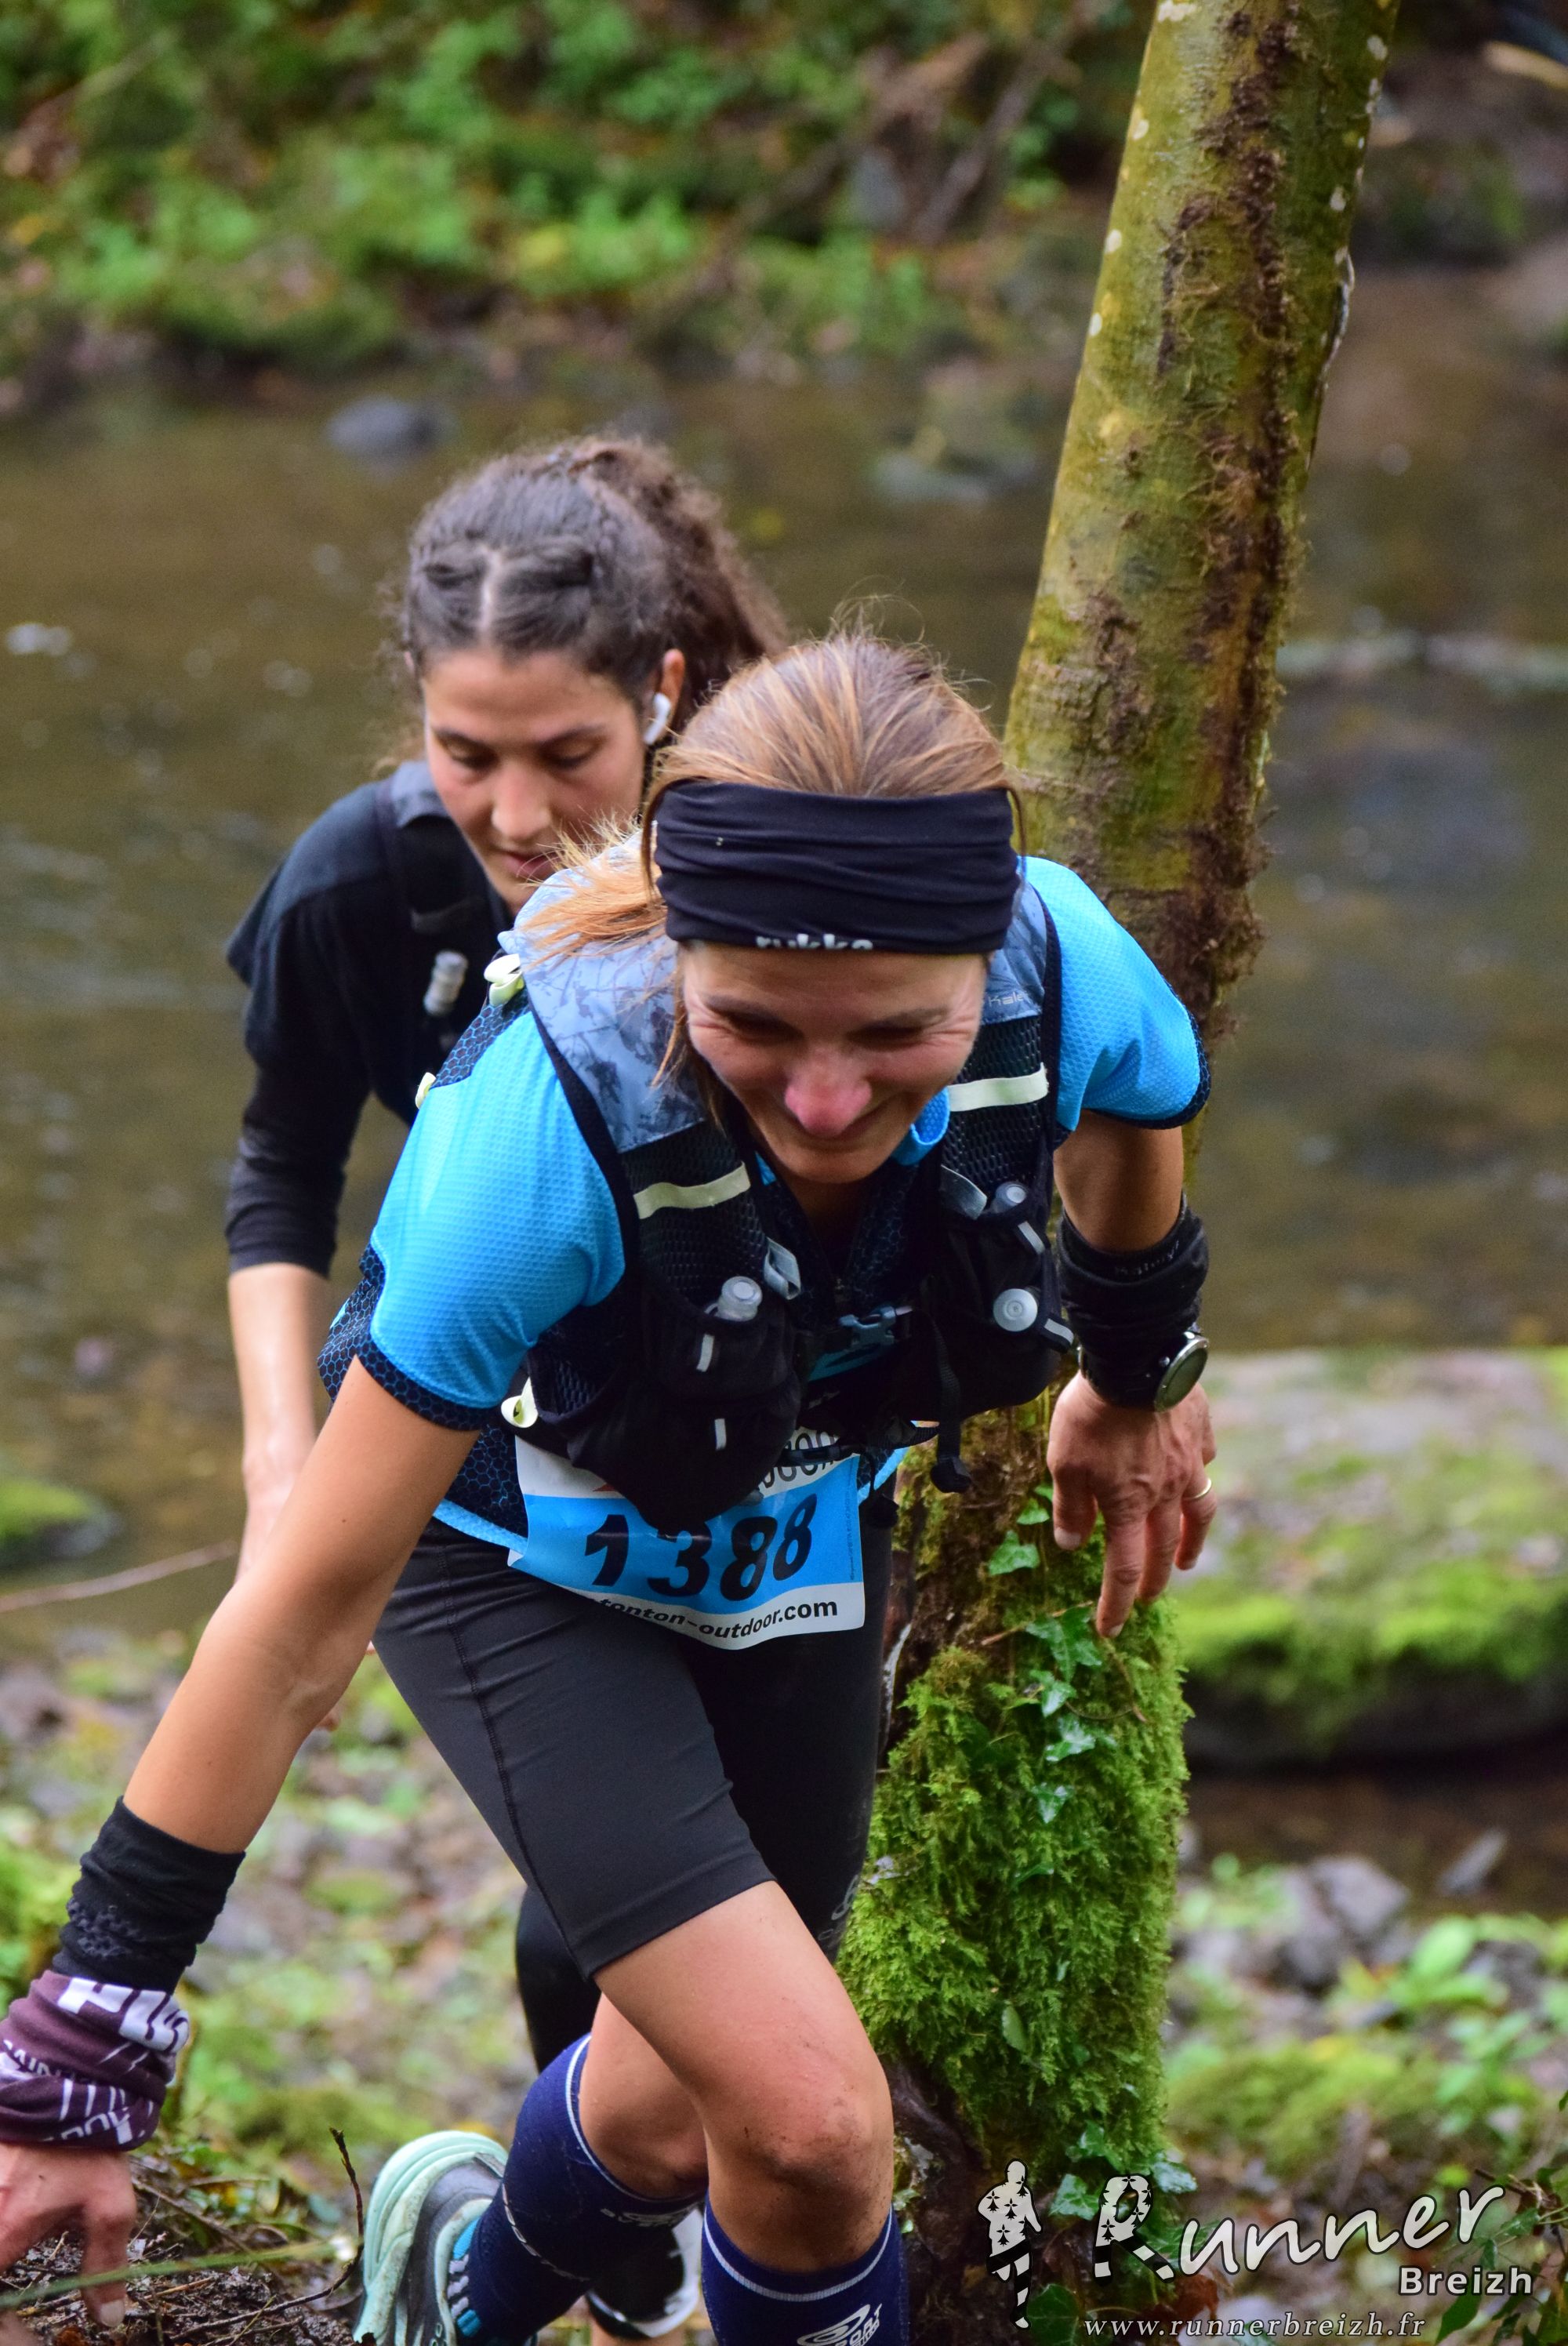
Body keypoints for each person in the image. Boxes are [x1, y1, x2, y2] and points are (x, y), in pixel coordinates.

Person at [0, 635, 1218, 2346]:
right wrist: (80, 2045)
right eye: (752, 1023)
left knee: (671, 2101)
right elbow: (296, 1619)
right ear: (671, 938)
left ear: (991, 958)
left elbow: (1137, 1121)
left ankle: (448, 2290)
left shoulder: (1069, 964)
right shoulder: (541, 1134)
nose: (823, 1099)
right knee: (812, 2124)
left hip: (795, 1537)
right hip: (510, 1569)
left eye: (899, 1031)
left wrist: (1136, 1374)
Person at [223, 434, 786, 2341]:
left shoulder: (759, 865)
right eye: (468, 752)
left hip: (772, 1430)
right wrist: (284, 1458)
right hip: (502, 1423)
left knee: (739, 1873)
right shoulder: (358, 885)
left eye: (567, 754)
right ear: (414, 707)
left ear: (664, 695)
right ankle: (595, 2250)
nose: (518, 811)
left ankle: (599, 2215)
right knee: (600, 1879)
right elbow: (281, 1168)